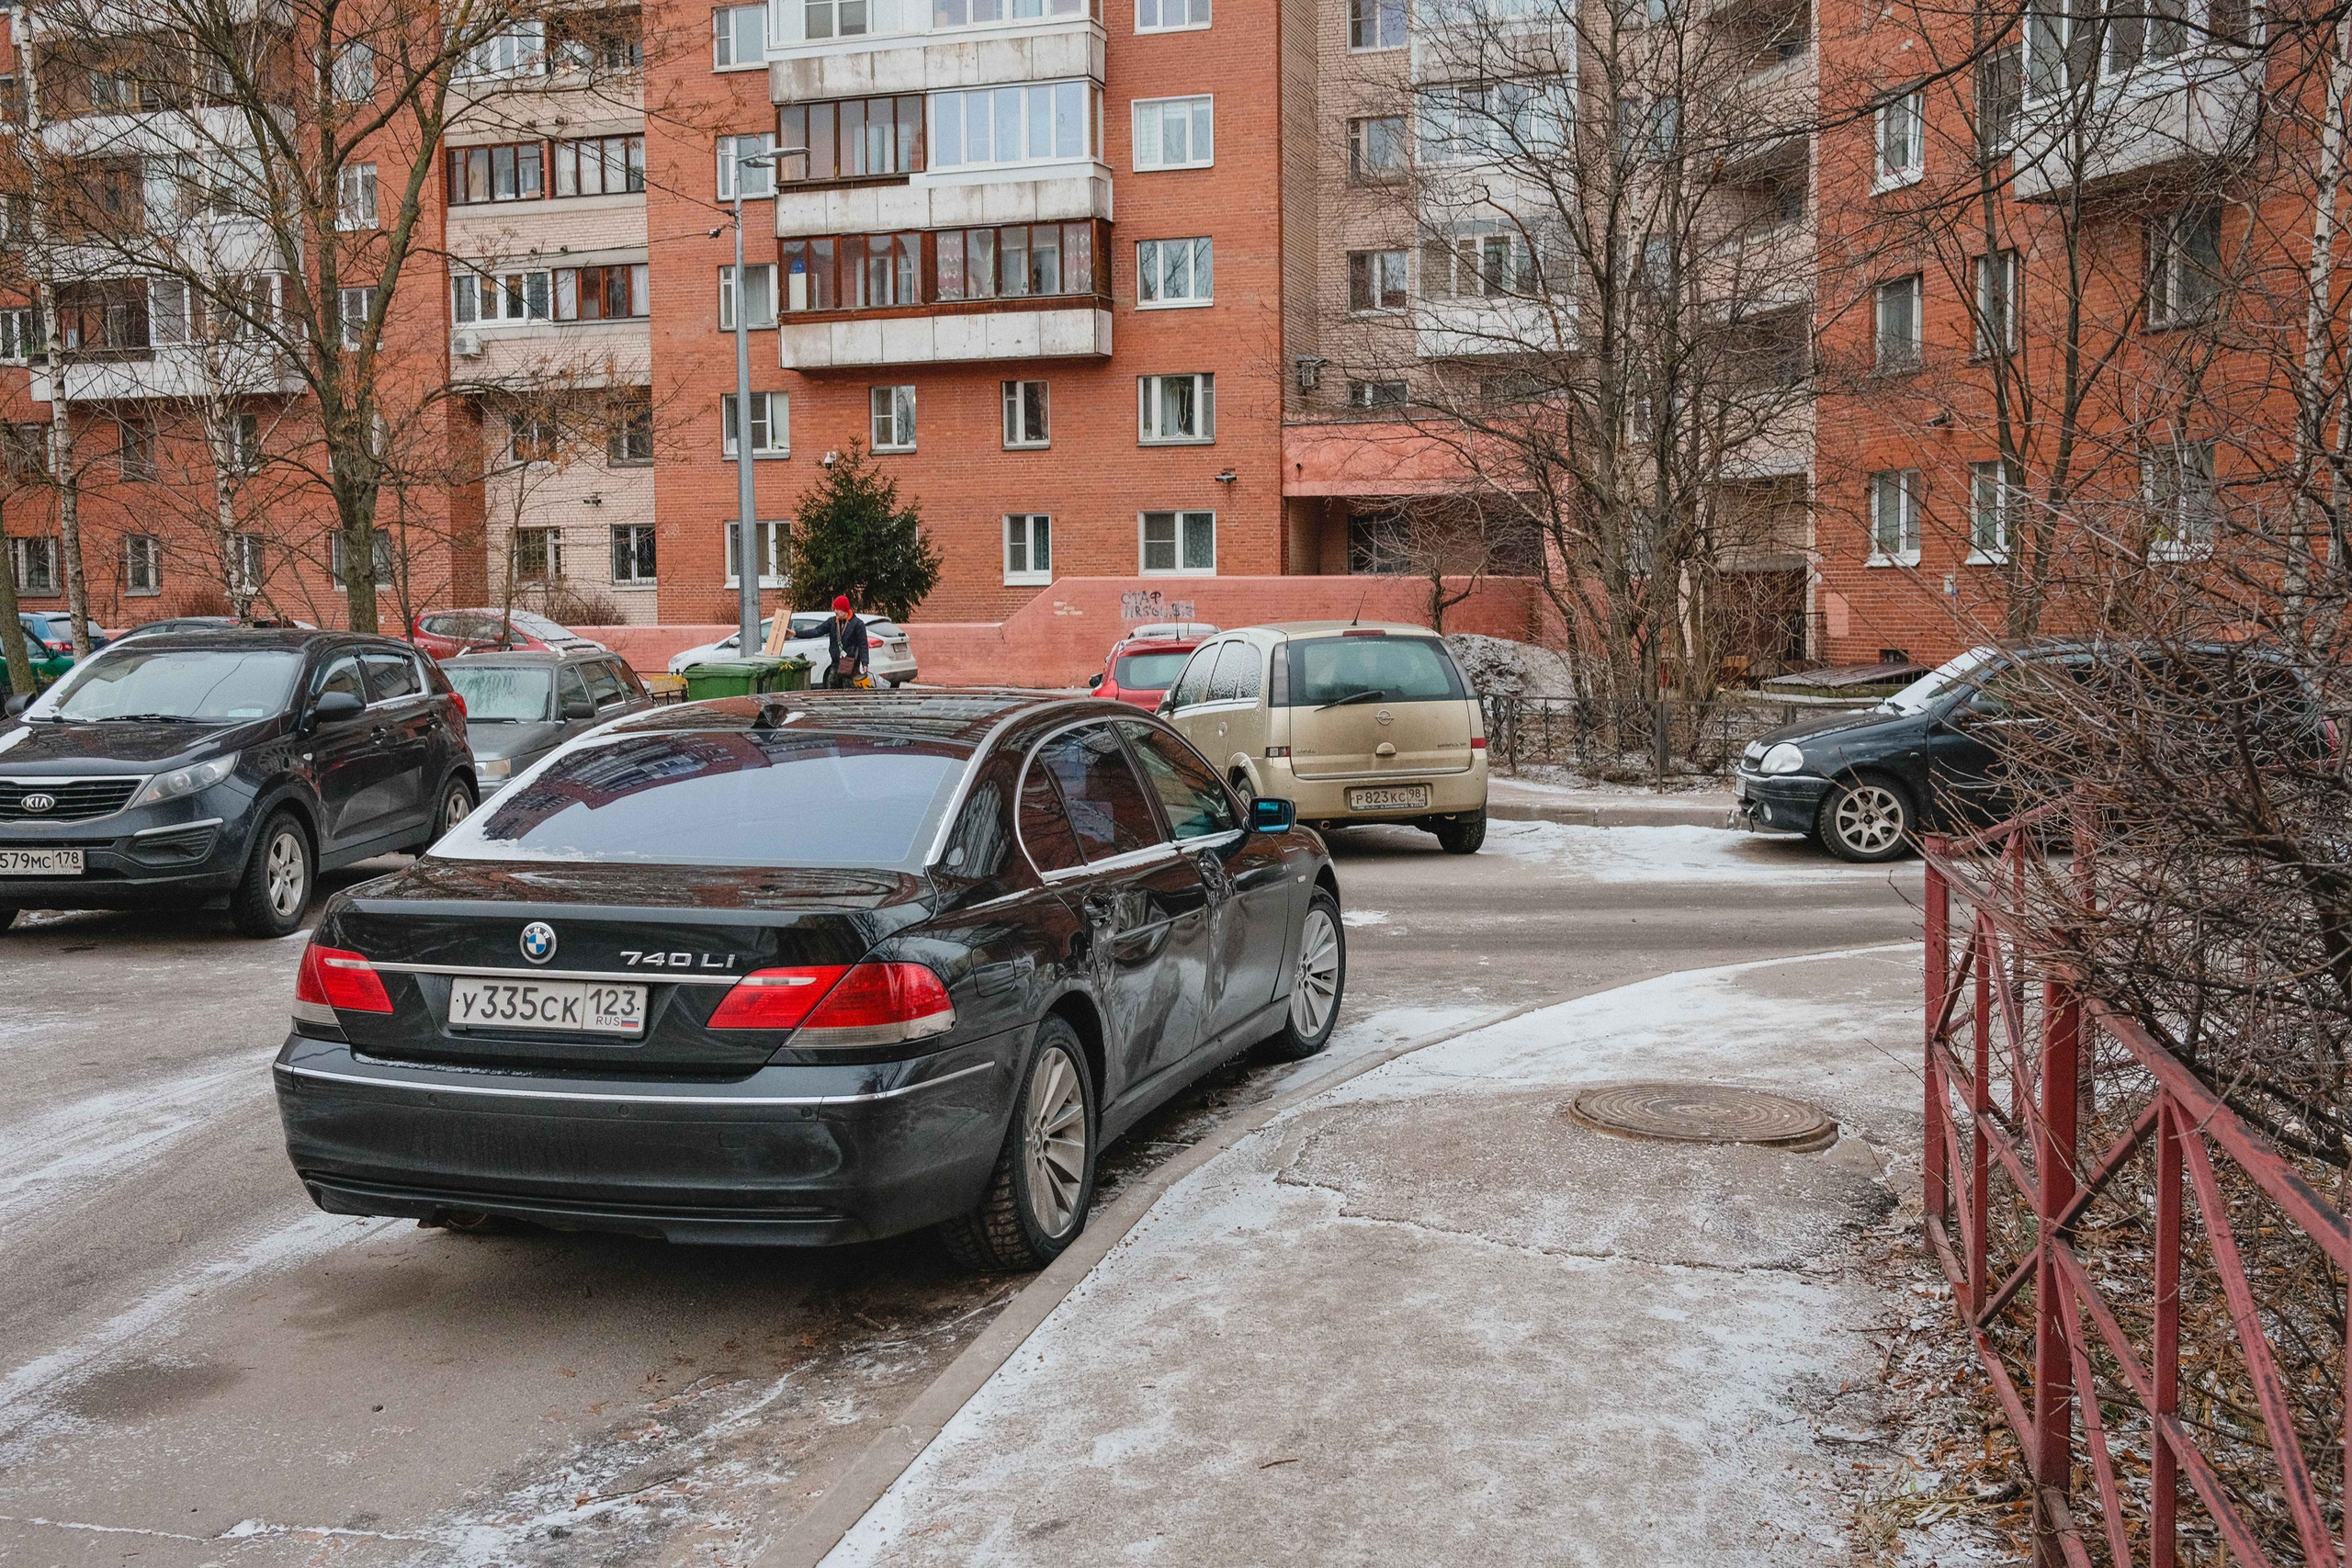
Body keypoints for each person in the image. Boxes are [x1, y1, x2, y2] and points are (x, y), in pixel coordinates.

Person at [822, 595, 869, 689]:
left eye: (838, 609)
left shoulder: (857, 624)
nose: (836, 611)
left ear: (845, 610)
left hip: (851, 666)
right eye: (835, 609)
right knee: (833, 690)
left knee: (850, 691)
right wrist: (796, 633)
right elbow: (816, 631)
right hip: (836, 665)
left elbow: (863, 644)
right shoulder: (832, 622)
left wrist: (865, 662)